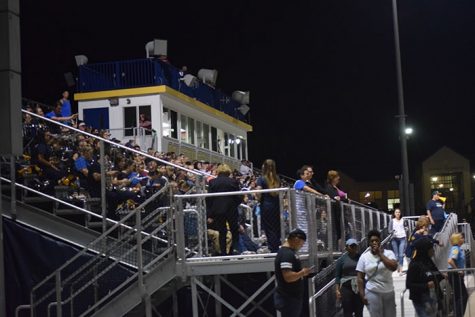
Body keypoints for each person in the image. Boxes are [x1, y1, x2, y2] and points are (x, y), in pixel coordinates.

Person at [356, 229, 398, 317]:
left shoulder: (389, 253)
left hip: (388, 291)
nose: (374, 242)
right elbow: (360, 278)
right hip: (372, 291)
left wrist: (380, 254)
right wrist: (362, 294)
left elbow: (394, 267)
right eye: (372, 241)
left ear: (380, 241)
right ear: (369, 243)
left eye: (376, 240)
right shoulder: (364, 257)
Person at [274, 229, 313, 317]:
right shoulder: (287, 254)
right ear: (296, 239)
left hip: (291, 298)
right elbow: (288, 277)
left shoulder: (288, 253)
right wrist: (302, 273)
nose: (301, 246)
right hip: (288, 298)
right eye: (301, 244)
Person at [206, 164, 242, 255]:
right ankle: (234, 250)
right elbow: (238, 197)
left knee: (222, 232)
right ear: (228, 172)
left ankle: (223, 253)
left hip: (218, 210)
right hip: (231, 210)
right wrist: (235, 205)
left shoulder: (212, 182)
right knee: (234, 230)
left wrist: (210, 214)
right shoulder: (233, 182)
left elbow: (209, 199)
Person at [406, 237, 444, 317]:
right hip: (421, 300)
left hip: (433, 299)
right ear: (425, 250)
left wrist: (442, 276)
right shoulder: (414, 265)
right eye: (431, 248)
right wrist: (426, 286)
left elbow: (435, 274)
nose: (433, 250)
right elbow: (409, 284)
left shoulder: (428, 261)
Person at [256, 159, 282, 252]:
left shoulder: (261, 179)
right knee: (276, 227)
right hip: (276, 205)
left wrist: (257, 199)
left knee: (269, 228)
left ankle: (273, 248)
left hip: (266, 205)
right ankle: (276, 247)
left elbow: (258, 192)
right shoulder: (277, 178)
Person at [335, 238, 364, 317]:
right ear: (347, 247)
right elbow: (338, 276)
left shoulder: (361, 258)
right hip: (346, 287)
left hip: (359, 287)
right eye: (351, 246)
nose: (353, 248)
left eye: (355, 246)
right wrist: (337, 290)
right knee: (347, 311)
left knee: (359, 311)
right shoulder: (341, 260)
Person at [447, 232, 468, 317]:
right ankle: (458, 314)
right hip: (455, 275)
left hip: (455, 274)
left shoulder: (457, 248)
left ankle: (457, 314)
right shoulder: (455, 248)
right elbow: (450, 261)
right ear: (457, 239)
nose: (463, 239)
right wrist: (458, 270)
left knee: (459, 296)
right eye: (461, 238)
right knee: (462, 296)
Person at [388, 208, 407, 274]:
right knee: (396, 255)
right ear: (394, 213)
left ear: (400, 213)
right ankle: (398, 267)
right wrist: (392, 232)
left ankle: (401, 269)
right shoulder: (392, 221)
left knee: (401, 255)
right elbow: (389, 230)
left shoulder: (403, 220)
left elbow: (405, 227)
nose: (398, 213)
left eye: (399, 212)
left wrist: (406, 229)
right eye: (396, 212)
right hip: (394, 238)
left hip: (402, 238)